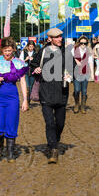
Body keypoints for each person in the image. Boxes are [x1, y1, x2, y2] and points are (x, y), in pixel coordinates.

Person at [0, 37, 29, 163]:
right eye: (5, 50)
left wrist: (25, 99)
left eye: (10, 50)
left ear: (14, 50)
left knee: (11, 124)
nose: (7, 53)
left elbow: (22, 81)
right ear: (1, 50)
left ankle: (10, 152)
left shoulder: (19, 63)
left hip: (12, 98)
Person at [30, 28, 70, 164]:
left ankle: (54, 140)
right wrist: (35, 70)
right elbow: (32, 66)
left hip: (62, 93)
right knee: (49, 123)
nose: (60, 39)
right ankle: (53, 149)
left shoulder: (65, 52)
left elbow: (74, 69)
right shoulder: (42, 52)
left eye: (61, 37)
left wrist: (69, 74)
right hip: (46, 92)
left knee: (60, 123)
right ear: (50, 39)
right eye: (57, 37)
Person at [72, 36, 92, 114]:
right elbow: (69, 58)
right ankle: (77, 103)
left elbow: (90, 63)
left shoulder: (88, 51)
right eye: (81, 43)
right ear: (79, 43)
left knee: (84, 91)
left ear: (87, 43)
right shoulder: (74, 50)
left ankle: (83, 105)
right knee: (77, 90)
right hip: (76, 73)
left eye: (85, 43)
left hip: (85, 72)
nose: (83, 44)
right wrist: (75, 60)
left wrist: (92, 74)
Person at [20, 41, 37, 107]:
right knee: (27, 87)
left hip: (33, 72)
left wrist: (33, 59)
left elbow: (37, 62)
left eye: (32, 47)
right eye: (30, 46)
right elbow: (20, 61)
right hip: (26, 71)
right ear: (27, 46)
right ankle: (26, 101)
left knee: (31, 88)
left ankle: (28, 101)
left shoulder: (35, 53)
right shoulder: (23, 52)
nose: (31, 48)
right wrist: (25, 59)